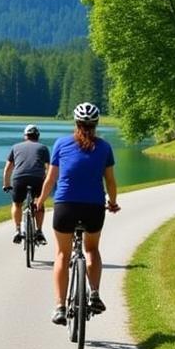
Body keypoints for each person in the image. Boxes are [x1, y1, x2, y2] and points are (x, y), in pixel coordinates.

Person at [35, 102, 119, 325]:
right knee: (91, 249)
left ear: (76, 123)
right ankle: (94, 293)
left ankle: (60, 307)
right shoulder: (104, 147)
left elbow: (51, 179)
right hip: (93, 207)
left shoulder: (61, 144)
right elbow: (110, 181)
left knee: (62, 254)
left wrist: (40, 201)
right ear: (96, 124)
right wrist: (113, 202)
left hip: (66, 207)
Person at [2, 124, 50, 246]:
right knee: (39, 203)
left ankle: (18, 230)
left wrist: (6, 184)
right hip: (37, 178)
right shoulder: (43, 148)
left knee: (17, 204)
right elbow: (48, 168)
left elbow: (8, 169)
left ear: (25, 136)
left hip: (19, 178)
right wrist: (47, 182)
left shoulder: (15, 147)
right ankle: (39, 231)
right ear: (37, 136)